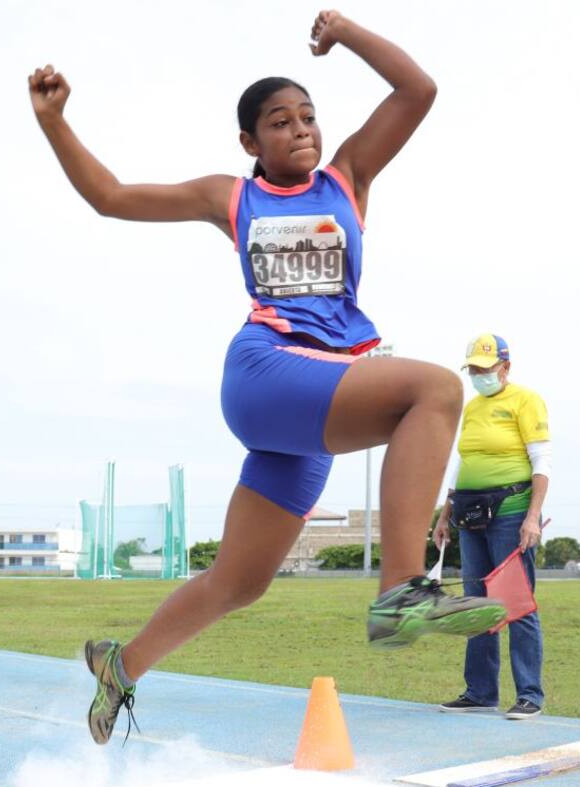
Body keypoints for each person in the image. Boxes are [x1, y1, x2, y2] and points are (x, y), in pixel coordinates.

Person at [30, 12, 510, 745]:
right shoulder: (233, 196)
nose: (302, 131)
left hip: (314, 406)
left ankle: (121, 665)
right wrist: (55, 122)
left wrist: (344, 31)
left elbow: (418, 88)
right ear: (251, 143)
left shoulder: (348, 180)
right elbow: (111, 196)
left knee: (240, 581)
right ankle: (401, 591)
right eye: (281, 123)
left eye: (309, 117)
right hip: (266, 372)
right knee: (437, 389)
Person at [432, 334, 551, 720]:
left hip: (511, 511)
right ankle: (480, 692)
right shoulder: (472, 408)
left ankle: (529, 694)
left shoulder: (525, 400)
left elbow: (541, 463)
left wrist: (532, 517)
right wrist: (444, 514)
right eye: (474, 370)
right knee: (476, 603)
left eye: (485, 369)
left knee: (514, 603)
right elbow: (461, 462)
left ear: (505, 367)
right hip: (470, 512)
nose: (479, 375)